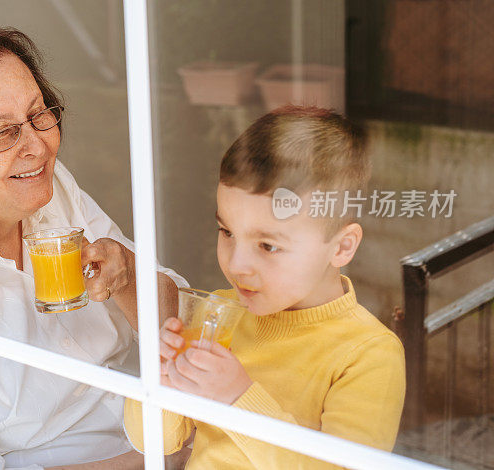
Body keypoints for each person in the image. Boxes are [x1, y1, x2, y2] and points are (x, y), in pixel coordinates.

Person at [0, 27, 188, 469]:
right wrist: (153, 462)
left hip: (165, 426)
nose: (38, 146)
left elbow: (181, 326)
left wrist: (127, 278)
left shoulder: (54, 192)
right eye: (4, 133)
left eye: (38, 115)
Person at [123, 105, 406, 468]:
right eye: (227, 232)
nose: (237, 265)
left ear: (341, 247)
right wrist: (159, 377)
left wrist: (238, 400)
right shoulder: (218, 315)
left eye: (268, 245)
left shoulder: (369, 355)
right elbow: (155, 442)